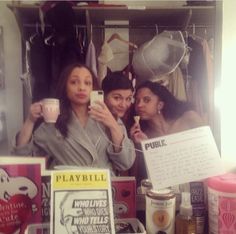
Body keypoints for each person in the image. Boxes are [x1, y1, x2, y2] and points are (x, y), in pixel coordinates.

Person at [12, 63, 135, 175]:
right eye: (74, 82)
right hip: (68, 190)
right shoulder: (54, 121)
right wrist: (30, 120)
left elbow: (125, 163)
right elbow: (22, 158)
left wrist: (113, 124)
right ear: (65, 86)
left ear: (93, 88)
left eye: (87, 83)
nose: (81, 87)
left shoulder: (107, 117)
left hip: (102, 191)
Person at [129, 80, 204, 184]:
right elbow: (150, 174)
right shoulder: (144, 135)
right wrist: (144, 145)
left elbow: (209, 151)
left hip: (199, 183)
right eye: (137, 101)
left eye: (146, 100)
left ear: (160, 105)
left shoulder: (190, 118)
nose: (139, 105)